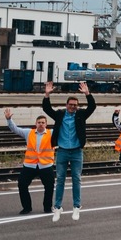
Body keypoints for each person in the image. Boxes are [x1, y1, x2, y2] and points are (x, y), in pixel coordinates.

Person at [41, 80, 96, 222]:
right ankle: (57, 207)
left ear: (77, 107)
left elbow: (92, 107)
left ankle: (77, 206)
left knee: (76, 179)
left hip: (77, 151)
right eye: (70, 105)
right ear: (66, 105)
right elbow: (47, 109)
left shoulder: (81, 115)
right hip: (62, 151)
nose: (73, 107)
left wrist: (87, 94)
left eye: (75, 105)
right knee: (60, 179)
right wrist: (47, 94)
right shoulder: (60, 115)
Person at [4, 108, 55, 215]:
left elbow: (64, 129)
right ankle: (27, 207)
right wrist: (9, 119)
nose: (41, 124)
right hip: (30, 165)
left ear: (46, 124)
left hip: (45, 165)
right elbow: (15, 129)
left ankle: (47, 207)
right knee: (22, 184)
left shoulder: (52, 133)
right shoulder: (29, 132)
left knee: (49, 186)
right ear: (35, 124)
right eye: (39, 122)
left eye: (43, 123)